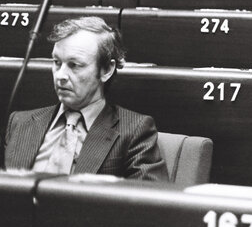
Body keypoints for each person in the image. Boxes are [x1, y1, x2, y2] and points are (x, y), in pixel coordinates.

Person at [3, 17, 168, 180]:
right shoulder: (19, 123)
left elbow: (150, 203)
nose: (60, 75)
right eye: (57, 62)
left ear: (106, 70)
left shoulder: (134, 131)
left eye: (74, 65)